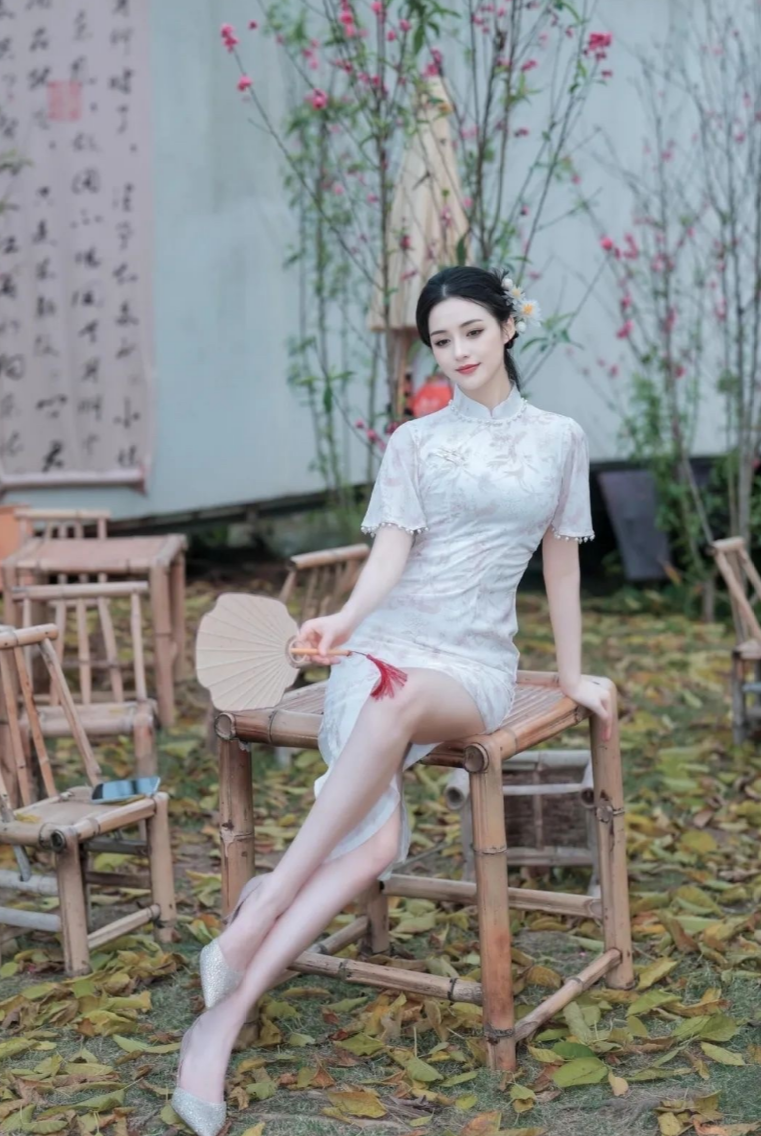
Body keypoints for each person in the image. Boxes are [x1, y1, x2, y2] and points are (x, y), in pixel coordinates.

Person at [172, 265, 612, 1135]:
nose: (458, 353)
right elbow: (391, 555)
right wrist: (344, 620)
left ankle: (261, 906)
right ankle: (215, 1030)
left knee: (396, 703)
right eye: (441, 341)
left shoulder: (559, 438)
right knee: (375, 837)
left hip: (473, 664)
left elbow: (561, 562)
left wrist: (569, 676)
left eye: (472, 332)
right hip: (386, 641)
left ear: (508, 328)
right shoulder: (415, 442)